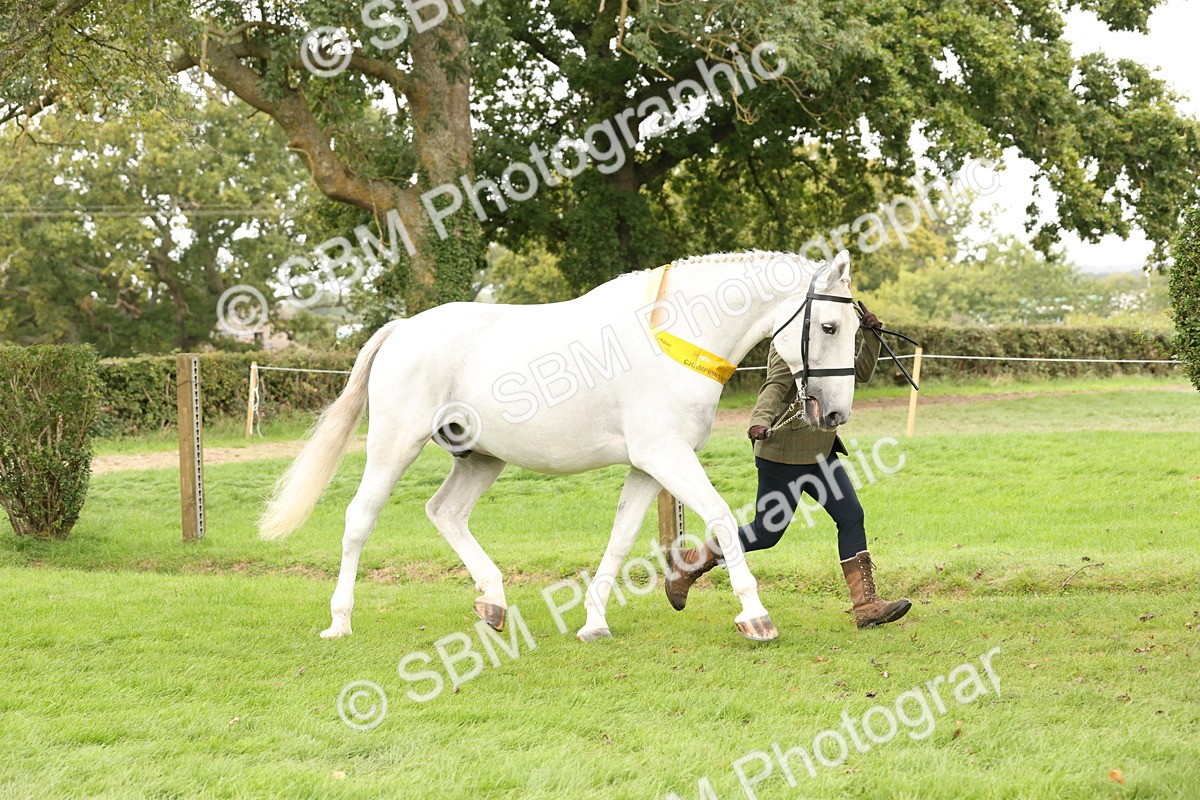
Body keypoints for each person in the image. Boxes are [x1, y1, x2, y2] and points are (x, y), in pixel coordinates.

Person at [664, 308, 911, 629]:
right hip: (782, 455)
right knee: (765, 533)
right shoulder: (789, 341)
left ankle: (866, 607)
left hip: (821, 452)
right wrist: (759, 420)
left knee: (851, 516)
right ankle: (688, 563)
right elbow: (775, 385)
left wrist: (869, 334)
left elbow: (860, 373)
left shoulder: (830, 342)